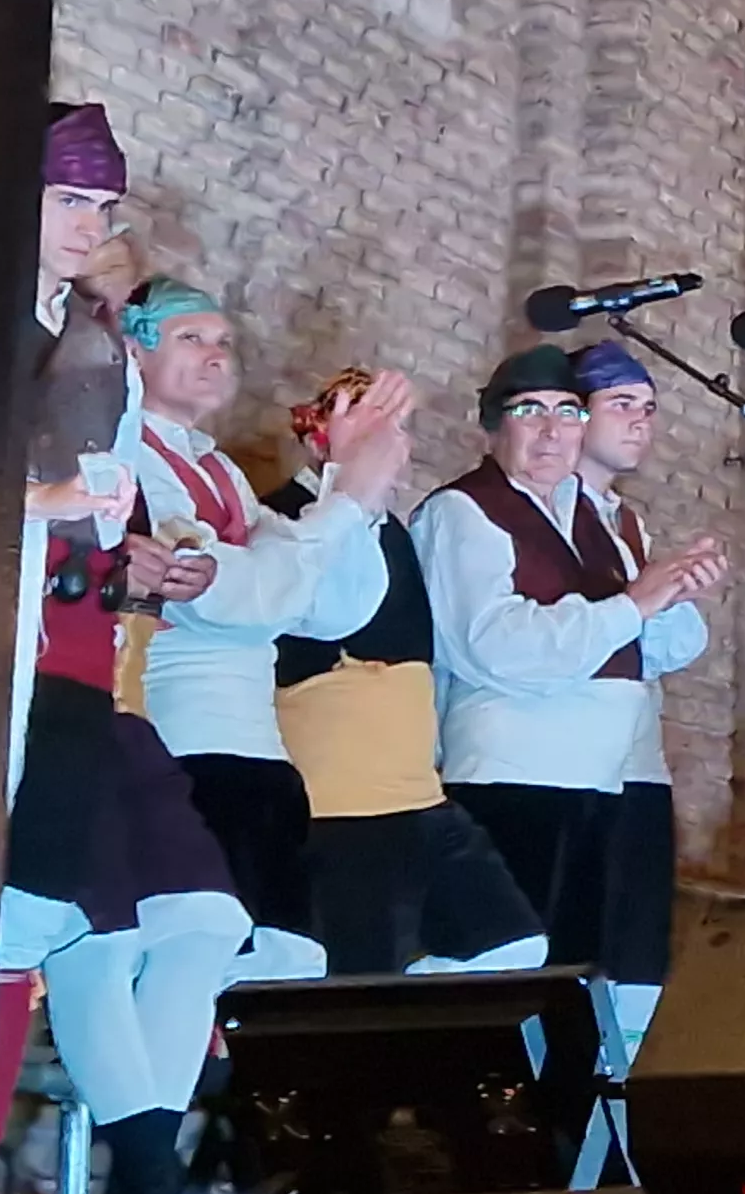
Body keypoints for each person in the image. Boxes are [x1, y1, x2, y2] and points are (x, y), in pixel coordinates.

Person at [0, 105, 244, 1194]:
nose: (88, 223)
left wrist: (127, 551)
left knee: (36, 916)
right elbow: (54, 494)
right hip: (4, 653)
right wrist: (43, 507)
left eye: (100, 205)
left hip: (74, 658)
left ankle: (4, 1175)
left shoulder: (88, 332)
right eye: (68, 199)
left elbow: (102, 504)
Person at [418, 345, 721, 1049]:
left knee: (589, 982)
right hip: (515, 774)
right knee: (523, 985)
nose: (552, 433)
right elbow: (493, 645)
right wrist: (632, 604)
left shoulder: (595, 521)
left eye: (566, 414)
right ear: (494, 425)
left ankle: (573, 1137)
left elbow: (656, 650)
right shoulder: (466, 511)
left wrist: (671, 593)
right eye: (531, 414)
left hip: (600, 780)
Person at [124, 279, 416, 978]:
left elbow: (330, 609)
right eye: (191, 337)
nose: (216, 355)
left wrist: (352, 493)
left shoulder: (216, 466)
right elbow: (233, 595)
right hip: (181, 744)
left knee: (286, 958)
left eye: (225, 342)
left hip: (257, 753)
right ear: (132, 350)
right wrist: (346, 498)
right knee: (198, 957)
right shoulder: (126, 456)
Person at [264, 369, 550, 978]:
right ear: (321, 436)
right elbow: (286, 619)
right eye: (371, 429)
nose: (390, 445)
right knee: (360, 972)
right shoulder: (283, 517)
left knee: (512, 942)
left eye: (395, 429)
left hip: (418, 792)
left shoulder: (396, 530)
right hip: (341, 799)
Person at [568, 338, 695, 943]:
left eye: (648, 408)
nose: (640, 421)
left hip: (637, 756)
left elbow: (660, 650)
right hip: (572, 757)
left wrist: (675, 591)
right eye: (622, 403)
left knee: (637, 944)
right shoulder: (539, 511)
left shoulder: (626, 520)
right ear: (578, 412)